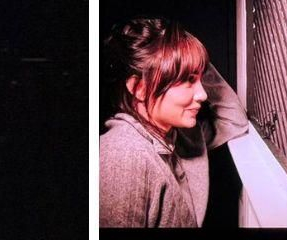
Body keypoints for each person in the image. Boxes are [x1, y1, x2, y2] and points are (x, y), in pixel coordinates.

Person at [99, 17, 250, 228]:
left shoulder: (180, 138)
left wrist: (193, 60)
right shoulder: (123, 154)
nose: (203, 94)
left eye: (199, 78)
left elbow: (234, 120)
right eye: (188, 80)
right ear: (139, 88)